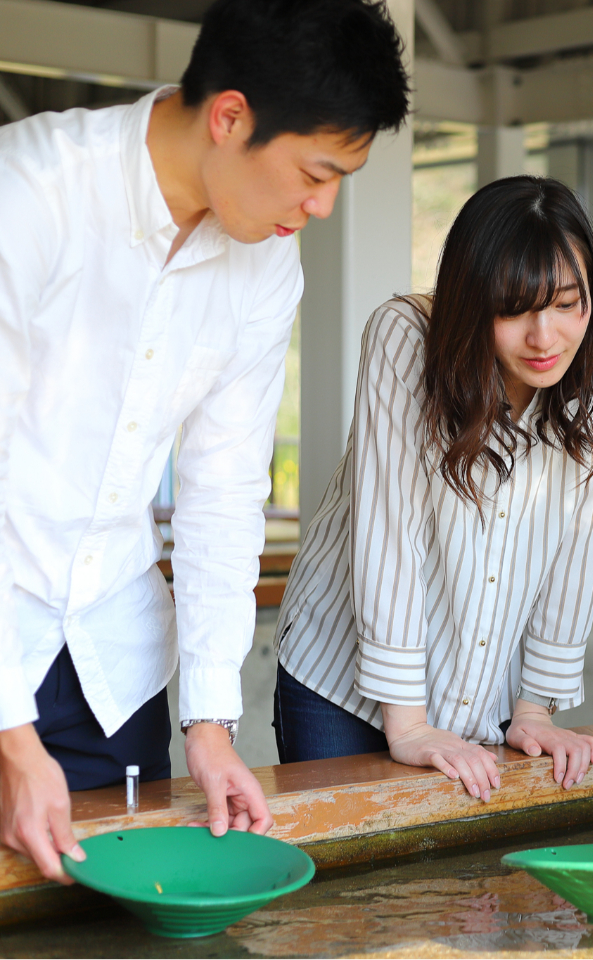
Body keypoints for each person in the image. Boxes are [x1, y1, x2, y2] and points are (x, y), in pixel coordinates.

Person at [0, 0, 410, 884]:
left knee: (112, 920)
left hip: (111, 660)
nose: (325, 205)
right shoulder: (29, 191)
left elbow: (224, 493)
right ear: (230, 118)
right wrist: (10, 735)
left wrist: (212, 726)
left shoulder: (266, 259)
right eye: (314, 171)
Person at [272, 176, 593, 801]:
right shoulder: (404, 339)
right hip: (340, 679)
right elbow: (390, 537)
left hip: (483, 681)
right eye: (514, 309)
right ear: (472, 302)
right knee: (347, 885)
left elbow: (583, 542)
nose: (545, 337)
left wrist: (534, 710)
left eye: (566, 304)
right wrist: (410, 725)